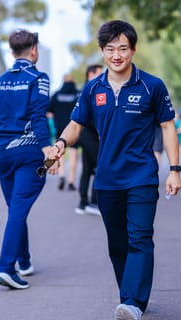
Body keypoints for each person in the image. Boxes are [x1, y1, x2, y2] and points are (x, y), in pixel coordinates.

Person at [50, 20, 181, 320]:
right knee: (117, 245)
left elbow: (167, 127)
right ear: (102, 51)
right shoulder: (93, 89)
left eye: (123, 48)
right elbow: (75, 125)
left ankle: (132, 303)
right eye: (110, 49)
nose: (117, 54)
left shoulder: (152, 86)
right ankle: (133, 299)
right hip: (107, 180)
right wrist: (59, 143)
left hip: (141, 176)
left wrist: (175, 170)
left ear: (133, 50)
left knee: (139, 238)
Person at [0, 29, 54, 289]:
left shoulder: (0, 81)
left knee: (15, 209)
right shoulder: (38, 77)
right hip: (29, 154)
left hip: (2, 154)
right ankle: (6, 267)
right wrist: (47, 150)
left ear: (12, 52)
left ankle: (24, 261)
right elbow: (37, 116)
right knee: (19, 208)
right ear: (34, 50)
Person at [75, 64, 103, 216]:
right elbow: (89, 116)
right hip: (90, 135)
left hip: (87, 136)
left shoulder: (87, 89)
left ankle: (83, 203)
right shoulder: (90, 90)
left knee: (87, 170)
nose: (102, 76)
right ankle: (92, 202)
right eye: (99, 73)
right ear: (91, 74)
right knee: (99, 168)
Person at [47, 74, 81, 191]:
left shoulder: (57, 94)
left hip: (59, 127)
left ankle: (62, 176)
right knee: (73, 154)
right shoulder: (77, 93)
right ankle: (71, 181)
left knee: (59, 151)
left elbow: (49, 111)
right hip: (73, 127)